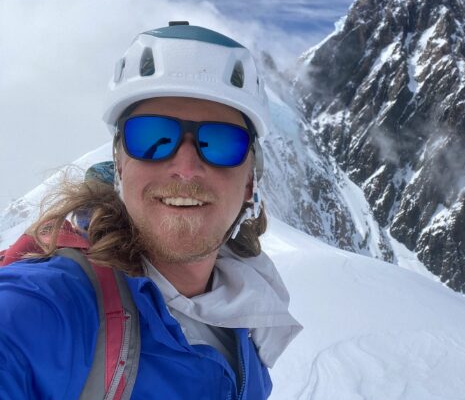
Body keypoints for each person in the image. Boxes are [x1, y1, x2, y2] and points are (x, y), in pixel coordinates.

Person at [0, 22, 302, 399]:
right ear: (120, 164)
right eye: (153, 137)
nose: (186, 167)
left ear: (249, 182)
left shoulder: (249, 315)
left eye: (220, 142)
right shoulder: (47, 308)